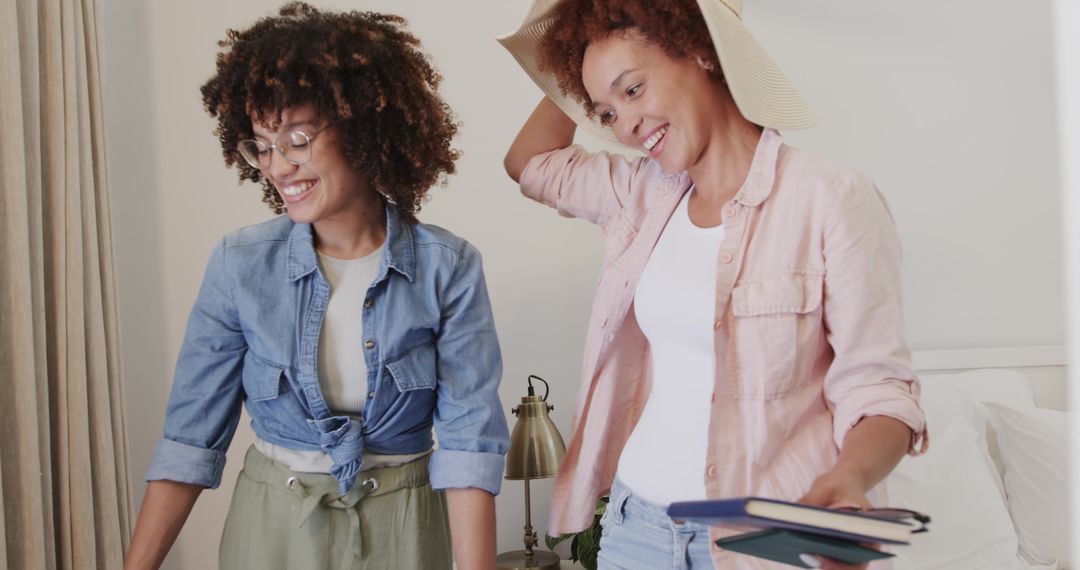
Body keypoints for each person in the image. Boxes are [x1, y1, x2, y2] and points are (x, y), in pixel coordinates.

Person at [499, 0, 927, 568]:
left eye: (632, 91)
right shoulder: (642, 196)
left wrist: (849, 479)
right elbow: (528, 162)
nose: (624, 125)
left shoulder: (830, 197)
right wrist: (582, 44)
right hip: (635, 529)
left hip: (766, 538)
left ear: (701, 49)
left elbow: (878, 388)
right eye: (604, 114)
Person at [124, 4, 508, 569]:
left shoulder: (448, 268)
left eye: (298, 139)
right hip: (272, 528)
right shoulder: (240, 265)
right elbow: (190, 440)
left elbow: (469, 446)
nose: (278, 167)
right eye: (262, 145)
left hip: (403, 526)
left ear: (363, 130)